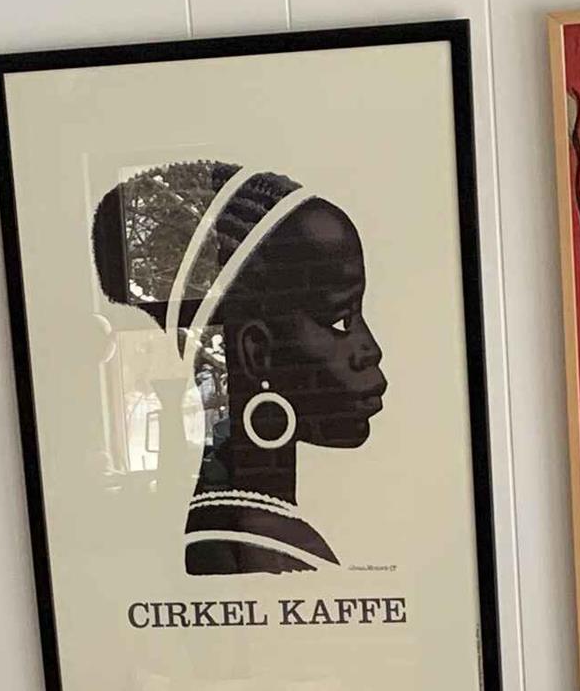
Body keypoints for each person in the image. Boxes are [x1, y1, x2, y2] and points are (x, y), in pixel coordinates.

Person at [90, 160, 386, 581]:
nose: (370, 350)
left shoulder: (258, 531)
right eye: (341, 320)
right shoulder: (251, 548)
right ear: (256, 352)